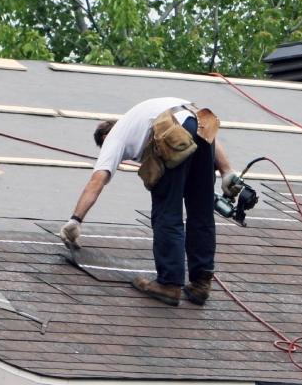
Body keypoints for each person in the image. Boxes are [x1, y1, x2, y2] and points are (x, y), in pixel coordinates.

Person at [59, 97, 242, 307]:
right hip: (199, 121)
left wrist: (76, 220)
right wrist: (227, 171)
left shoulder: (114, 137)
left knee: (167, 210)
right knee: (201, 209)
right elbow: (200, 130)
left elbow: (97, 180)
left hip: (173, 131)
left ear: (104, 136)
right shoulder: (140, 117)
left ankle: (169, 284)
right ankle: (201, 284)